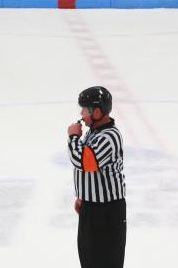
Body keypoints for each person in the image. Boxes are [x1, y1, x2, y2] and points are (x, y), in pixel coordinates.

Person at [68, 86, 126, 268]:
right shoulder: (93, 132)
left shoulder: (109, 136)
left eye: (85, 110)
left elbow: (86, 163)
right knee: (89, 259)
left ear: (97, 112)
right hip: (92, 209)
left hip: (107, 212)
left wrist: (73, 138)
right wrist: (84, 196)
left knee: (106, 261)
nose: (81, 114)